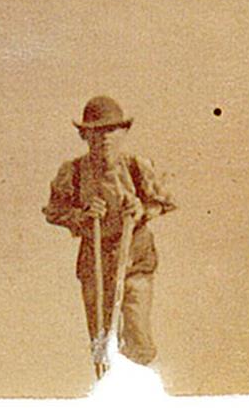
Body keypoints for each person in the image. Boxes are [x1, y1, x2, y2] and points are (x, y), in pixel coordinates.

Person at [43, 94, 175, 374]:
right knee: (102, 342)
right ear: (84, 135)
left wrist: (140, 209)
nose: (104, 138)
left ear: (123, 132)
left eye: (110, 130)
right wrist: (81, 215)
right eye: (96, 132)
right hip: (95, 264)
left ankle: (137, 390)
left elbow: (164, 201)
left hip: (134, 262)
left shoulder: (137, 167)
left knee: (138, 335)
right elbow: (54, 211)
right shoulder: (75, 172)